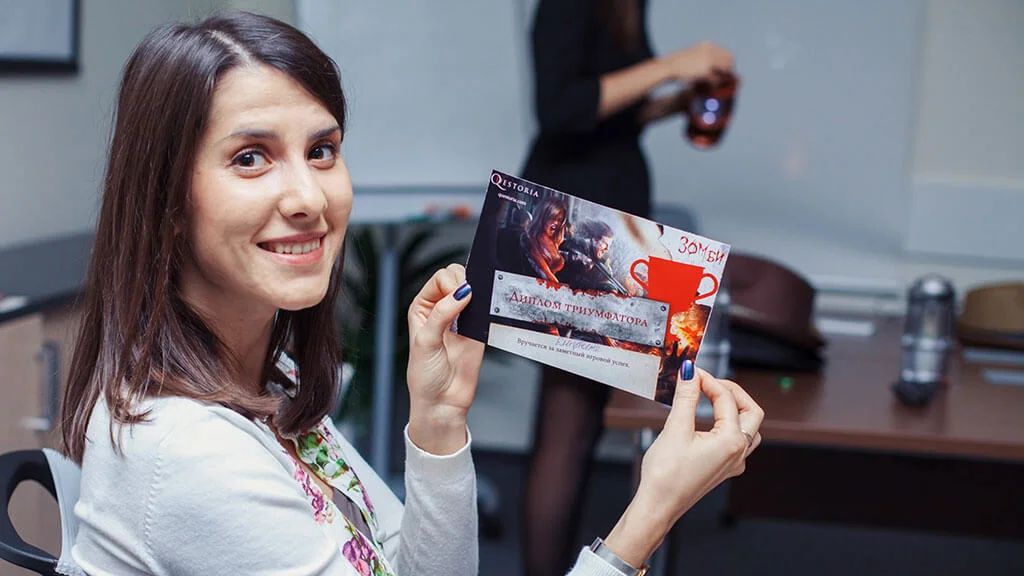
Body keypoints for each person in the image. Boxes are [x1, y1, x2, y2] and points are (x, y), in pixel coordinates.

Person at [60, 11, 760, 576]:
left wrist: (438, 421)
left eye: (322, 150)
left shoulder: (272, 380)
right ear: (166, 201)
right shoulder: (187, 451)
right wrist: (649, 514)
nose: (309, 198)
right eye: (251, 158)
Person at [520, 0, 739, 573]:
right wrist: (671, 65)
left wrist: (672, 103)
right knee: (567, 420)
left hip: (614, 219)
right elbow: (562, 109)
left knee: (581, 417)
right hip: (576, 221)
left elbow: (609, 118)